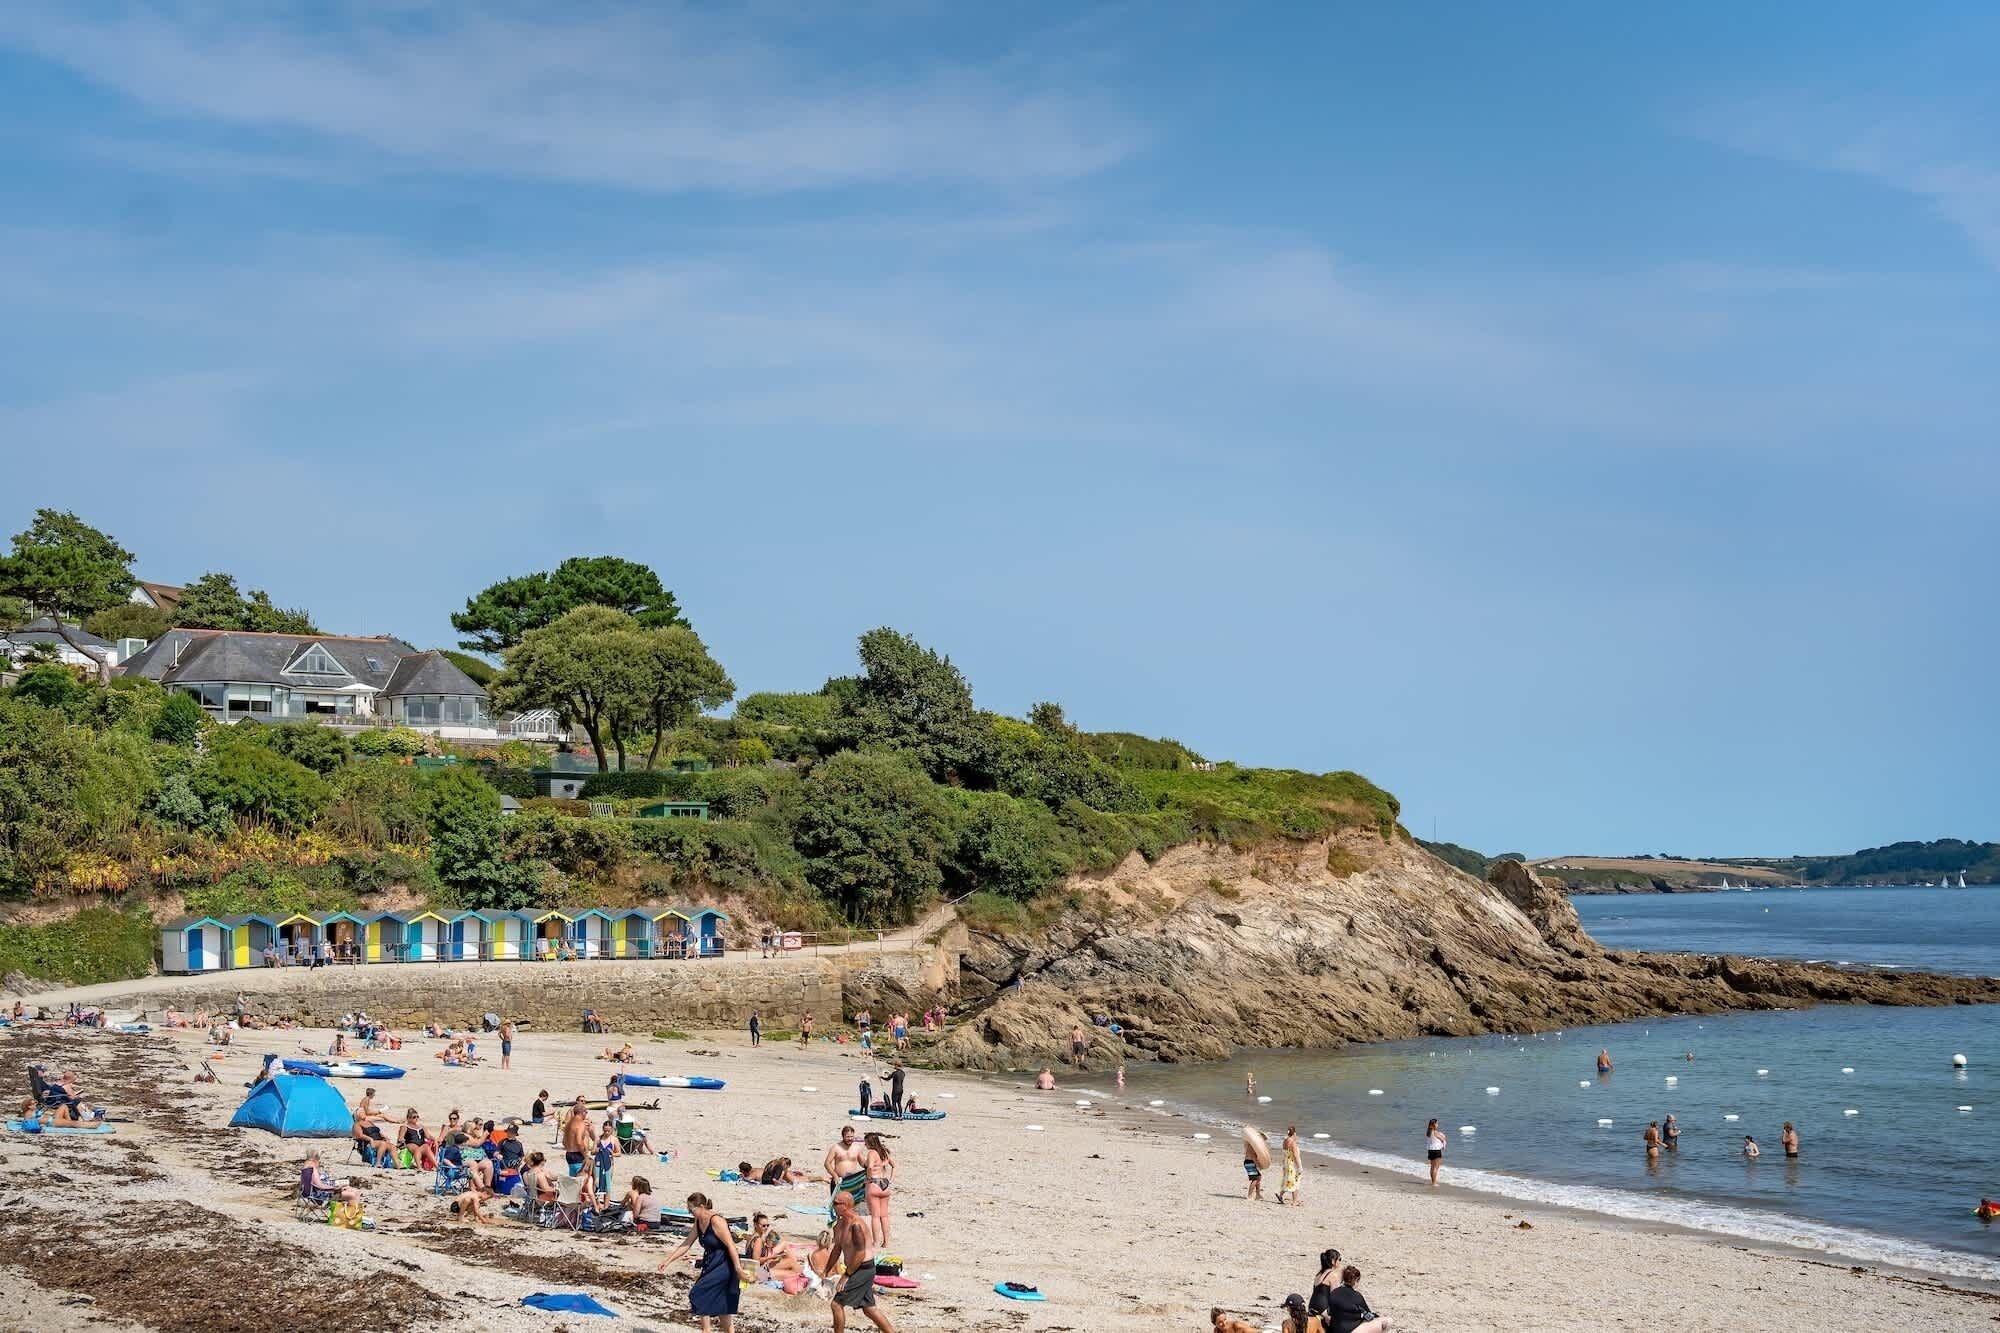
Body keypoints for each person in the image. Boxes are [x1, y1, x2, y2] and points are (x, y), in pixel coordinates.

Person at [658, 1192, 748, 1333]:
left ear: (701, 1207)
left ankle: (706, 1330)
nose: (690, 1213)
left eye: (691, 1210)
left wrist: (738, 1269)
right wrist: (668, 1260)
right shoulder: (698, 1222)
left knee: (698, 1293)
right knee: (723, 1309)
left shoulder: (717, 1221)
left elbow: (731, 1245)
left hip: (724, 1266)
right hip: (710, 1264)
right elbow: (687, 1243)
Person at [829, 1189, 896, 1333]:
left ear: (845, 1205)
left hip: (862, 1269)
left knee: (836, 1304)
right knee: (869, 1308)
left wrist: (846, 1275)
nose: (833, 1205)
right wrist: (825, 1270)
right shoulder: (840, 1224)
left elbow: (860, 1253)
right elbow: (837, 1249)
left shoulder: (856, 1225)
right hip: (856, 1268)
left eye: (836, 1203)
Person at [1318, 1264, 1390, 1333]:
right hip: (1350, 1330)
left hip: (1335, 1329)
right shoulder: (1357, 1296)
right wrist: (1376, 1316)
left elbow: (1330, 1312)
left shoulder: (1334, 1292)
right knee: (1388, 1321)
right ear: (1355, 1281)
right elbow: (1369, 1316)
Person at [862, 1131, 896, 1248]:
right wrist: (891, 1180)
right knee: (884, 1216)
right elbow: (894, 1166)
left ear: (870, 1143)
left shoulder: (872, 1153)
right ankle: (886, 1242)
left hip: (874, 1183)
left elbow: (870, 1167)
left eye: (866, 1143)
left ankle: (876, 1242)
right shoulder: (884, 1152)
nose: (865, 1145)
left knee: (875, 1216)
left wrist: (868, 1178)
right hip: (885, 1184)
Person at [824, 1123, 868, 1214]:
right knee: (839, 1206)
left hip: (853, 1180)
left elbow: (863, 1163)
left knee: (851, 1206)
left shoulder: (857, 1148)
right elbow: (827, 1163)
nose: (850, 1139)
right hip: (839, 1180)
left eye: (852, 1136)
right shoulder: (836, 1148)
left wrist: (872, 1164)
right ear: (843, 1136)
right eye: (847, 1137)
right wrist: (834, 1176)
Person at [1308, 1249, 1345, 1326]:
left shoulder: (1318, 1274)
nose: (1340, 1262)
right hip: (1323, 1309)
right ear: (1333, 1261)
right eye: (1339, 1259)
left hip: (1312, 1306)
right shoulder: (1332, 1276)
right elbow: (1336, 1297)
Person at [564, 1096, 594, 1176]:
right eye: (586, 1112)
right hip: (577, 1154)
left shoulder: (569, 1123)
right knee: (583, 1178)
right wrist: (585, 1155)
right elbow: (579, 1142)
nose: (586, 1114)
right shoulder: (581, 1124)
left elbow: (564, 1141)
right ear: (582, 1112)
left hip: (569, 1154)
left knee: (573, 1178)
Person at [1243, 1125, 1267, 1201]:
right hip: (1250, 1162)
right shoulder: (1253, 1146)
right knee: (1255, 1179)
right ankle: (1249, 1196)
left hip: (1249, 1162)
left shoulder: (1252, 1144)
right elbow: (1253, 1156)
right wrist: (1258, 1165)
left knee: (1259, 1177)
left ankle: (1258, 1195)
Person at [1279, 1126, 1302, 1205]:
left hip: (1286, 1162)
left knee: (1287, 1179)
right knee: (1295, 1181)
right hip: (1291, 1164)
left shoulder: (1285, 1141)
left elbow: (1286, 1151)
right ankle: (1294, 1201)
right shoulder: (1293, 1142)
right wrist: (1299, 1166)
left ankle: (1280, 1195)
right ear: (1294, 1133)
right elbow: (1295, 1155)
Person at [1425, 1119, 1446, 1187]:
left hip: (1430, 1150)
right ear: (1434, 1124)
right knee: (1436, 1168)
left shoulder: (1428, 1132)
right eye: (1437, 1123)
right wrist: (1443, 1136)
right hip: (1436, 1150)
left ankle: (1433, 1182)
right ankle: (1434, 1183)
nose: (1437, 1125)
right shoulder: (1435, 1132)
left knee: (1432, 1167)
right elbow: (1442, 1139)